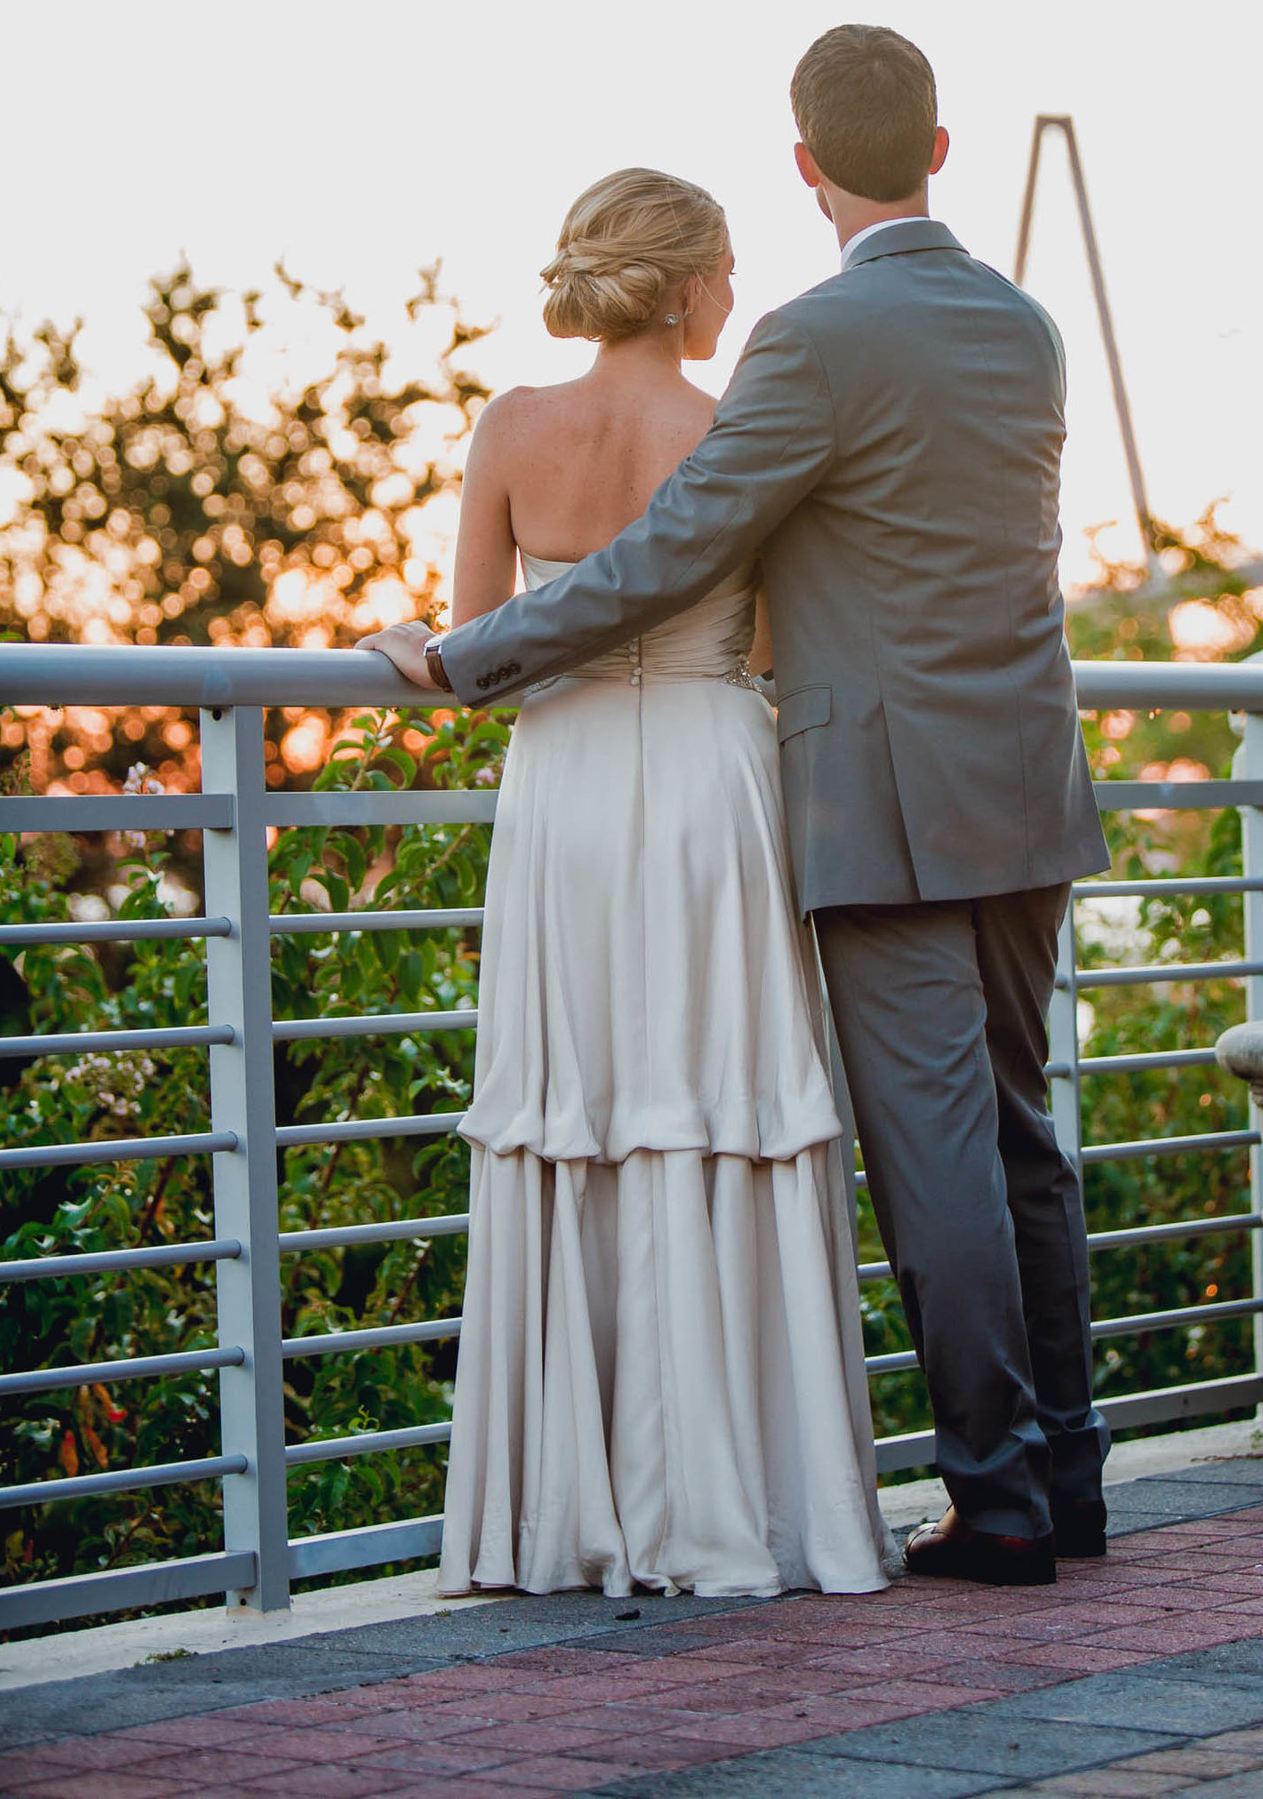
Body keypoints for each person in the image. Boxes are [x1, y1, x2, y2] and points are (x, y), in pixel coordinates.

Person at [367, 25, 1112, 1589]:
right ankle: (1073, 1478)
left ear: (804, 165)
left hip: (884, 800)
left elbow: (669, 552)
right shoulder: (1027, 325)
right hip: (1029, 776)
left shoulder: (811, 339)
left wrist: (468, 655)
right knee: (1026, 1133)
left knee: (940, 1159)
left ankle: (1001, 1507)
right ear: (943, 147)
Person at [388, 168, 889, 1599]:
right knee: (721, 1108)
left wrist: (399, 640)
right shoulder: (739, 428)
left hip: (567, 797)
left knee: (578, 1115)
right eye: (726, 271)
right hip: (709, 787)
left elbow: (472, 651)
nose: (737, 295)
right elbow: (784, 641)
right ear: (684, 285)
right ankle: (743, 1497)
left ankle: (569, 1512)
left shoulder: (512, 427)